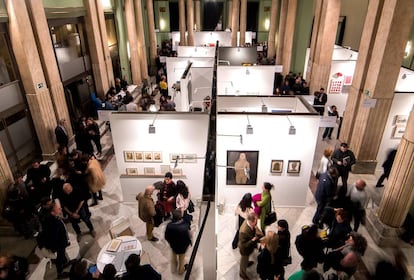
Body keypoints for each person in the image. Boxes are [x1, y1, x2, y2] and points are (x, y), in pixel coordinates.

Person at [39, 200, 72, 279]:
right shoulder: (52, 223)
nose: (60, 209)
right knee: (59, 258)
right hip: (58, 245)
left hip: (61, 243)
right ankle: (60, 272)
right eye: (58, 208)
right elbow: (52, 237)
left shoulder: (54, 217)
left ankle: (65, 262)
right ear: (52, 212)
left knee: (62, 254)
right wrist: (57, 247)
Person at [165, 209, 192, 275]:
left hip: (174, 245)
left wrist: (171, 242)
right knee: (182, 259)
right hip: (183, 247)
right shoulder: (185, 225)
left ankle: (173, 268)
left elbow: (166, 237)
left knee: (173, 256)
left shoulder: (169, 226)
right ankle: (181, 270)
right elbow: (189, 236)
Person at [238, 213, 263, 280]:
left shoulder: (249, 221)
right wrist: (253, 240)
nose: (256, 223)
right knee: (244, 261)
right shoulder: (243, 231)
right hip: (244, 249)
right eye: (255, 222)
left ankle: (247, 263)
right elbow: (244, 244)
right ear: (250, 221)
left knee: (246, 259)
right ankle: (242, 274)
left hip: (249, 248)